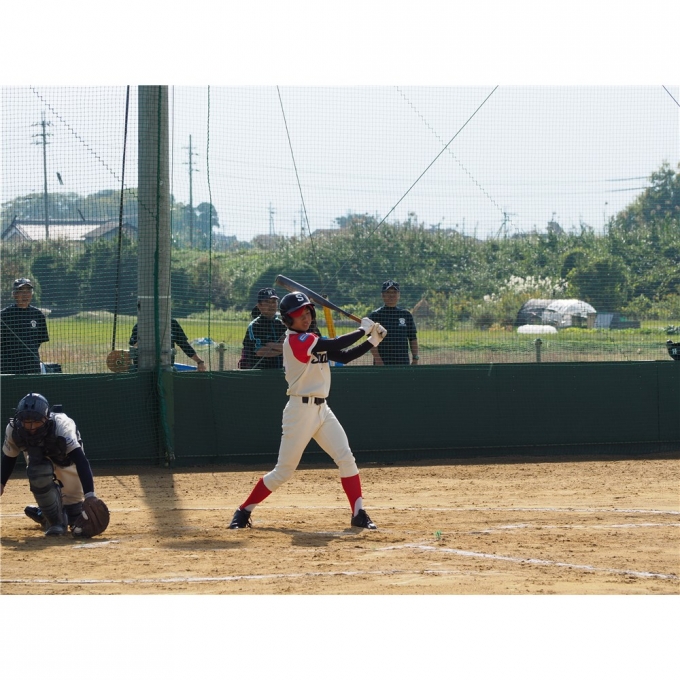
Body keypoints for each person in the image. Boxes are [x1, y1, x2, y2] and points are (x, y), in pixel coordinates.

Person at [229, 291, 387, 531]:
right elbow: (336, 344)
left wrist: (372, 341)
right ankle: (243, 510)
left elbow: (343, 356)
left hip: (323, 409)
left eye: (307, 313)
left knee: (346, 458)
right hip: (299, 412)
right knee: (283, 471)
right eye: (298, 315)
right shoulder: (294, 341)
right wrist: (363, 330)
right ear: (287, 319)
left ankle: (358, 513)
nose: (304, 318)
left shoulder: (312, 338)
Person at [1, 393, 103, 537]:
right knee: (38, 472)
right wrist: (1, 483)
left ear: (46, 418)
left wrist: (90, 495)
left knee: (73, 513)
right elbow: (9, 458)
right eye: (26, 422)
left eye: (36, 421)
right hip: (39, 464)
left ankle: (47, 514)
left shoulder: (62, 425)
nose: (31, 427)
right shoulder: (13, 430)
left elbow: (80, 460)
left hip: (67, 465)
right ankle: (54, 522)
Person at [0, 278, 49, 374]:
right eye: (21, 291)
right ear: (14, 294)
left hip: (32, 366)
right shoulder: (4, 316)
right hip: (8, 367)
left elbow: (39, 341)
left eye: (28, 291)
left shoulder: (38, 315)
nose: (25, 295)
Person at [368, 279, 419, 366]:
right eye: (388, 292)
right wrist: (378, 359)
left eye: (394, 292)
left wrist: (415, 358)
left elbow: (413, 338)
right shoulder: (375, 315)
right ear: (382, 295)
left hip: (403, 363)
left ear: (399, 295)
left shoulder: (406, 315)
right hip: (382, 363)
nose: (391, 295)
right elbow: (371, 341)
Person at [129, 318, 207, 371]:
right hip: (144, 368)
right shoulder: (140, 325)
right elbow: (133, 346)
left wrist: (199, 362)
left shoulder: (172, 323)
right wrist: (146, 335)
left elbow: (184, 345)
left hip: (166, 368)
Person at [238, 287, 288, 369]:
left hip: (280, 371)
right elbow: (260, 351)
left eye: (274, 302)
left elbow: (289, 346)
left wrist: (270, 345)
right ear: (259, 306)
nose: (271, 305)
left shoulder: (282, 325)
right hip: (258, 372)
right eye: (267, 302)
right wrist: (283, 349)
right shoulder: (255, 325)